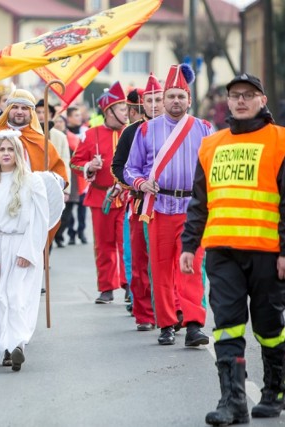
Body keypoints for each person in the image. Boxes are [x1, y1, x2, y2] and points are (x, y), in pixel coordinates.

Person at [179, 74, 285, 425]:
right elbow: (199, 201)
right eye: (235, 95)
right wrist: (189, 244)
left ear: (262, 100)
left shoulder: (283, 141)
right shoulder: (211, 145)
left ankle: (275, 390)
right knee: (227, 326)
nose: (241, 101)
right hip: (223, 252)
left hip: (267, 253)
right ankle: (232, 401)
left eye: (249, 95)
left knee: (268, 326)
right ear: (228, 102)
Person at [124, 63, 212, 346]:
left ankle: (194, 323)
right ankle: (166, 323)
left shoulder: (204, 129)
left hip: (193, 209)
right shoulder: (147, 131)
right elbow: (130, 169)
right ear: (162, 100)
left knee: (192, 266)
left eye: (181, 96)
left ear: (189, 100)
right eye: (171, 96)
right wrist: (141, 184)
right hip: (159, 208)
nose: (176, 101)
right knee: (161, 268)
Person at [0, 130, 49, 372]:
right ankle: (5, 346)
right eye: (2, 149)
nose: (6, 153)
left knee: (16, 296)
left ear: (18, 153)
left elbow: (40, 219)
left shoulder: (32, 181)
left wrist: (29, 251)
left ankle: (17, 344)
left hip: (21, 246)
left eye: (10, 149)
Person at [111, 73, 164, 330]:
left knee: (170, 262)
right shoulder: (131, 132)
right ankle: (144, 313)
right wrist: (138, 182)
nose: (155, 105)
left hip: (173, 205)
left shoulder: (179, 128)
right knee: (140, 260)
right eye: (150, 100)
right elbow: (118, 166)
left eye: (159, 99)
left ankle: (173, 310)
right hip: (141, 203)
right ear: (143, 103)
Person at [70, 81, 129, 304]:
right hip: (100, 197)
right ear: (109, 111)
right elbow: (75, 162)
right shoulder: (90, 135)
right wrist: (89, 167)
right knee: (103, 246)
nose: (127, 113)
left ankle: (129, 285)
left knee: (127, 245)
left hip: (126, 198)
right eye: (122, 109)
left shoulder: (132, 132)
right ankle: (106, 287)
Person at [0, 88, 68, 213]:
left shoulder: (42, 143)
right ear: (8, 110)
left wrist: (47, 182)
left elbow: (59, 180)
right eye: (15, 107)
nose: (19, 112)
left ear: (31, 112)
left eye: (24, 108)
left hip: (30, 212)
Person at [34, 99, 71, 248]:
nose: (42, 115)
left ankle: (46, 255)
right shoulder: (29, 133)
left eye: (45, 112)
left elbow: (65, 161)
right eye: (38, 112)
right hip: (34, 185)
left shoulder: (59, 137)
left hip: (54, 185)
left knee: (51, 223)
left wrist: (66, 188)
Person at [63, 106, 88, 245]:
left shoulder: (85, 132)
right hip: (71, 174)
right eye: (76, 115)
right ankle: (71, 233)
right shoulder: (65, 134)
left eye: (79, 115)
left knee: (82, 207)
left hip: (83, 174)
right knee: (70, 206)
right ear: (69, 118)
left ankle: (82, 232)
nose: (79, 117)